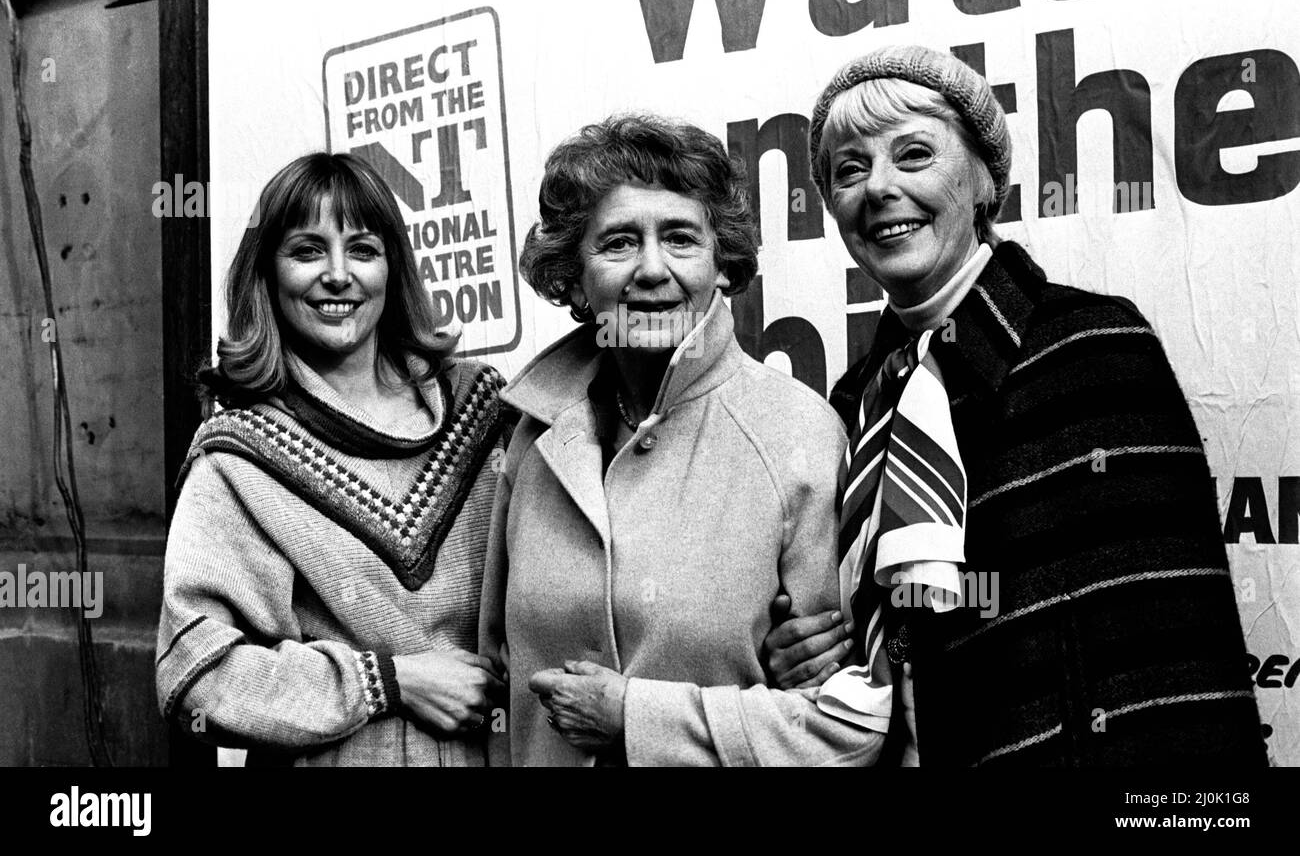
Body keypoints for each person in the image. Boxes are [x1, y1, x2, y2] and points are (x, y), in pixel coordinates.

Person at [763, 44, 1266, 766]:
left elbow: (1176, 636)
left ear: (981, 182)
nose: (877, 188)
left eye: (912, 156)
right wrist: (811, 657)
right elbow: (880, 642)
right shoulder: (853, 405)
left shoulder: (1090, 344)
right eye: (849, 169)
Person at [477, 114, 886, 766]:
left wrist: (641, 720)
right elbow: (496, 674)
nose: (651, 269)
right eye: (616, 243)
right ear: (574, 280)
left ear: (721, 264)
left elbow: (849, 727)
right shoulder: (531, 434)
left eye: (679, 238)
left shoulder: (798, 435)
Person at [155, 153, 509, 766]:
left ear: (393, 268)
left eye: (364, 250)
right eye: (308, 250)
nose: (339, 275)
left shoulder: (484, 409)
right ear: (266, 273)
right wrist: (384, 683)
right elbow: (195, 677)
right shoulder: (239, 458)